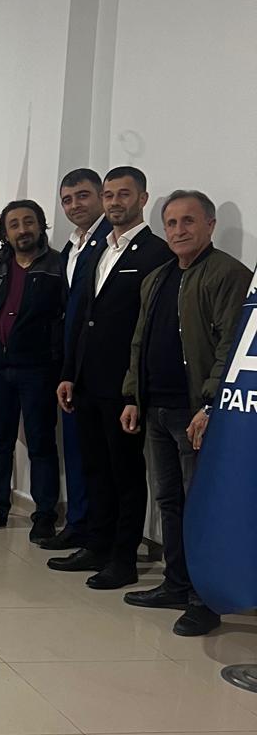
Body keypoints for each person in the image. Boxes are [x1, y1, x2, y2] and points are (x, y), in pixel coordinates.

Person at [119, 190, 250, 635]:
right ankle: (176, 584)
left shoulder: (228, 274)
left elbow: (231, 346)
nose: (179, 230)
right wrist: (133, 395)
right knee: (169, 502)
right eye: (171, 223)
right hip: (157, 408)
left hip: (196, 414)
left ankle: (204, 600)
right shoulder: (157, 277)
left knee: (201, 508)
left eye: (188, 221)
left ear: (210, 225)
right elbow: (140, 341)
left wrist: (211, 405)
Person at [49, 165, 174, 589]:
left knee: (125, 474)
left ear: (142, 198)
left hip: (124, 386)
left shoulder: (156, 253)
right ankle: (96, 546)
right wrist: (70, 373)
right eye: (109, 195)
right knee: (95, 469)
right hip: (87, 383)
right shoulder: (99, 250)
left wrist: (134, 391)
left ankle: (123, 558)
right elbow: (83, 318)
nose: (115, 202)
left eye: (124, 194)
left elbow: (149, 328)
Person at [0, 201, 65, 540]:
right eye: (14, 224)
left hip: (38, 369)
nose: (23, 230)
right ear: (5, 233)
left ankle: (45, 514)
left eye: (28, 222)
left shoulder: (56, 266)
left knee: (40, 443)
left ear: (40, 225)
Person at [36, 168, 107, 551]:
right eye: (67, 199)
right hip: (69, 367)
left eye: (82, 196)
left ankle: (94, 531)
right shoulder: (71, 246)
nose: (74, 205)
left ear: (100, 196)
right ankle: (79, 523)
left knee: (96, 458)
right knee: (76, 451)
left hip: (96, 368)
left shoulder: (109, 243)